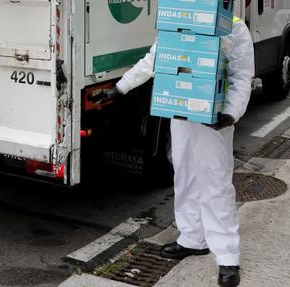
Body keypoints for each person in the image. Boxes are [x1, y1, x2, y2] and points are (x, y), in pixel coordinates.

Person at [95, 17, 254, 287]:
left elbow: (242, 75)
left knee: (215, 182)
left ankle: (227, 256)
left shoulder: (232, 24)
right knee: (184, 174)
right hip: (180, 113)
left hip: (213, 117)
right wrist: (119, 89)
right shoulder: (176, 21)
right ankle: (192, 238)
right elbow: (154, 61)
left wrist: (230, 114)